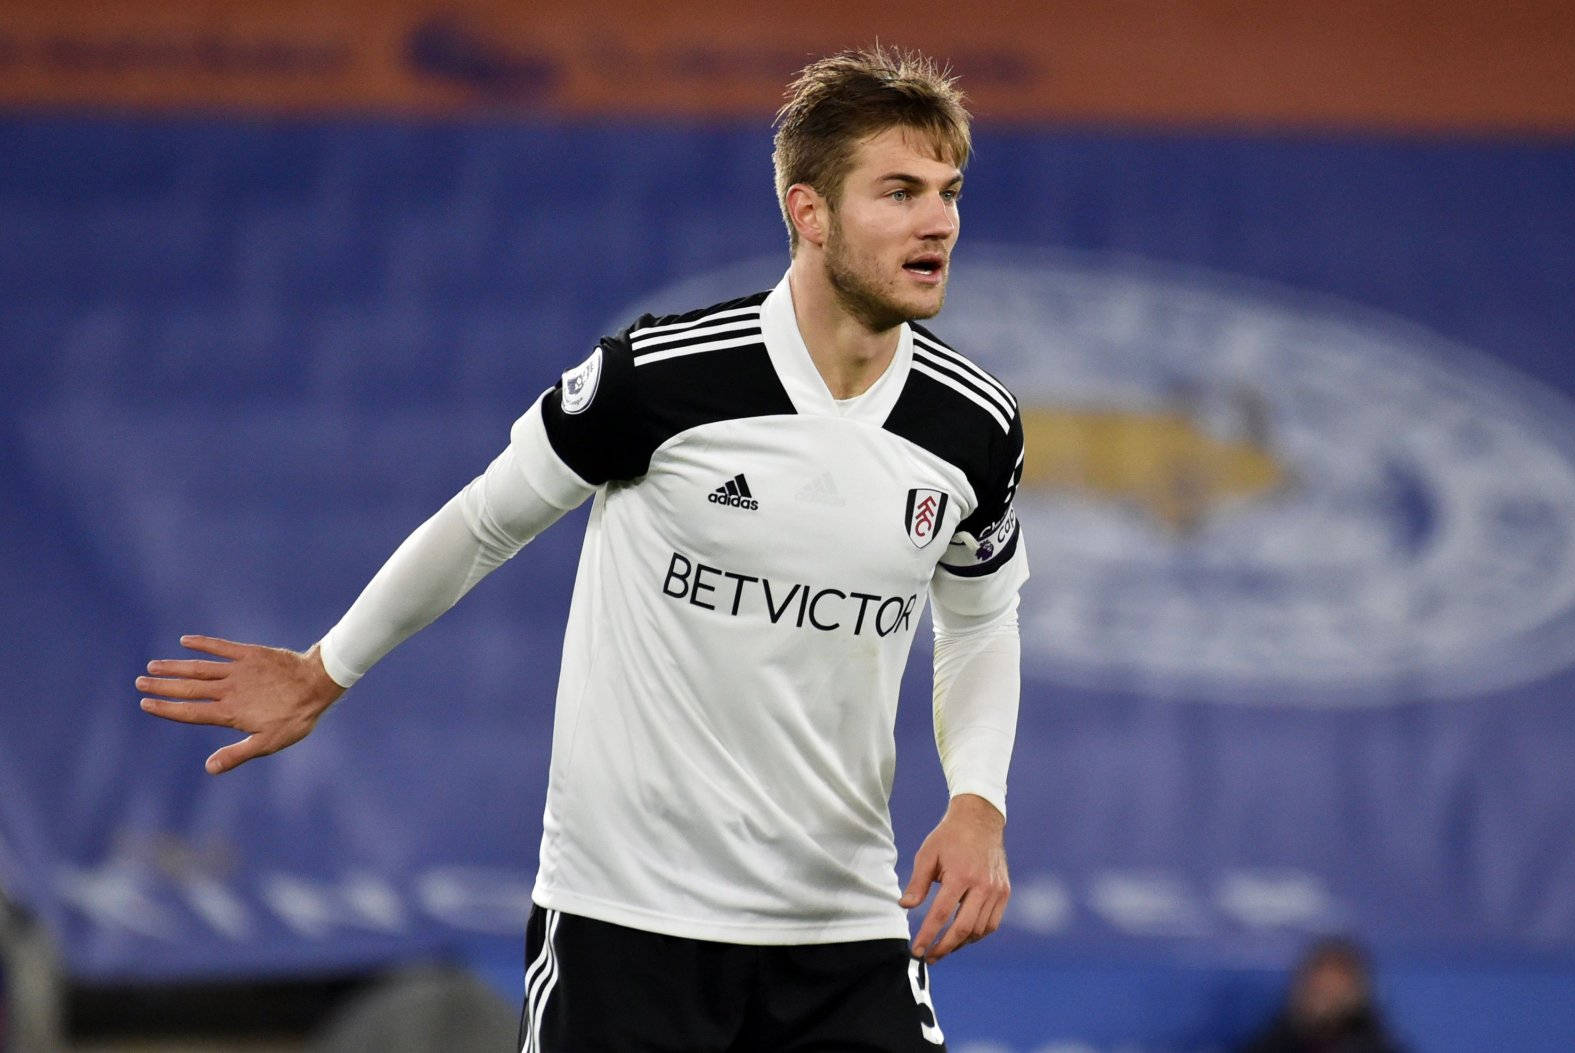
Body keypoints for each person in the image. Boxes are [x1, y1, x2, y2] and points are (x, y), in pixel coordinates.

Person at [137, 46, 1027, 1052]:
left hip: (843, 930)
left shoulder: (972, 426)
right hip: (626, 925)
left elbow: (983, 613)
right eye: (899, 191)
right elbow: (484, 521)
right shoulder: (661, 380)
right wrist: (324, 669)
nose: (937, 221)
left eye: (947, 193)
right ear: (809, 213)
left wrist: (977, 802)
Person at [1241, 937, 1406, 1053]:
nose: (1322, 995)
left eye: (1333, 990)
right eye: (1315, 989)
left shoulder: (1377, 1047)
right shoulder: (1270, 1046)